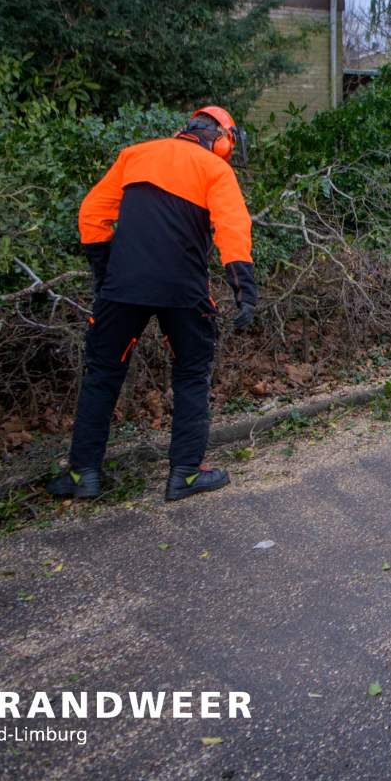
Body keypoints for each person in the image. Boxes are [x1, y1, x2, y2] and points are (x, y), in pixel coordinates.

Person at [49, 106, 257, 503]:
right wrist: (243, 290)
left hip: (122, 288)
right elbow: (232, 228)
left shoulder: (135, 155)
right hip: (184, 291)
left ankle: (82, 474)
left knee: (102, 374)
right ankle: (185, 475)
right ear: (222, 138)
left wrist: (106, 270)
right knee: (192, 374)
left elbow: (93, 214)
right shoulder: (215, 169)